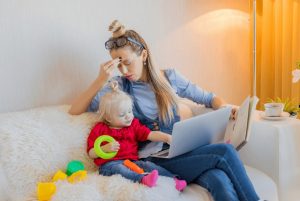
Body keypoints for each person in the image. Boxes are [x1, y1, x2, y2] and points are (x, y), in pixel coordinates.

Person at [70, 20, 260, 201]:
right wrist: (100, 80)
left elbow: (209, 98)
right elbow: (75, 110)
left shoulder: (171, 78)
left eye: (127, 62)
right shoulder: (118, 87)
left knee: (219, 179)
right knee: (224, 152)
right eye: (118, 64)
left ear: (143, 55)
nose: (123, 69)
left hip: (182, 153)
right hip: (154, 160)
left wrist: (227, 108)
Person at [87, 81, 187, 191]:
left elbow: (150, 134)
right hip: (109, 165)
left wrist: (167, 138)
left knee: (148, 165)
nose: (128, 116)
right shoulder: (100, 129)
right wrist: (104, 149)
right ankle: (142, 179)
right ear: (108, 118)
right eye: (122, 115)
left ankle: (174, 181)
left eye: (130, 111)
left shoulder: (133, 125)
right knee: (120, 168)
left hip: (132, 162)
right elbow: (91, 153)